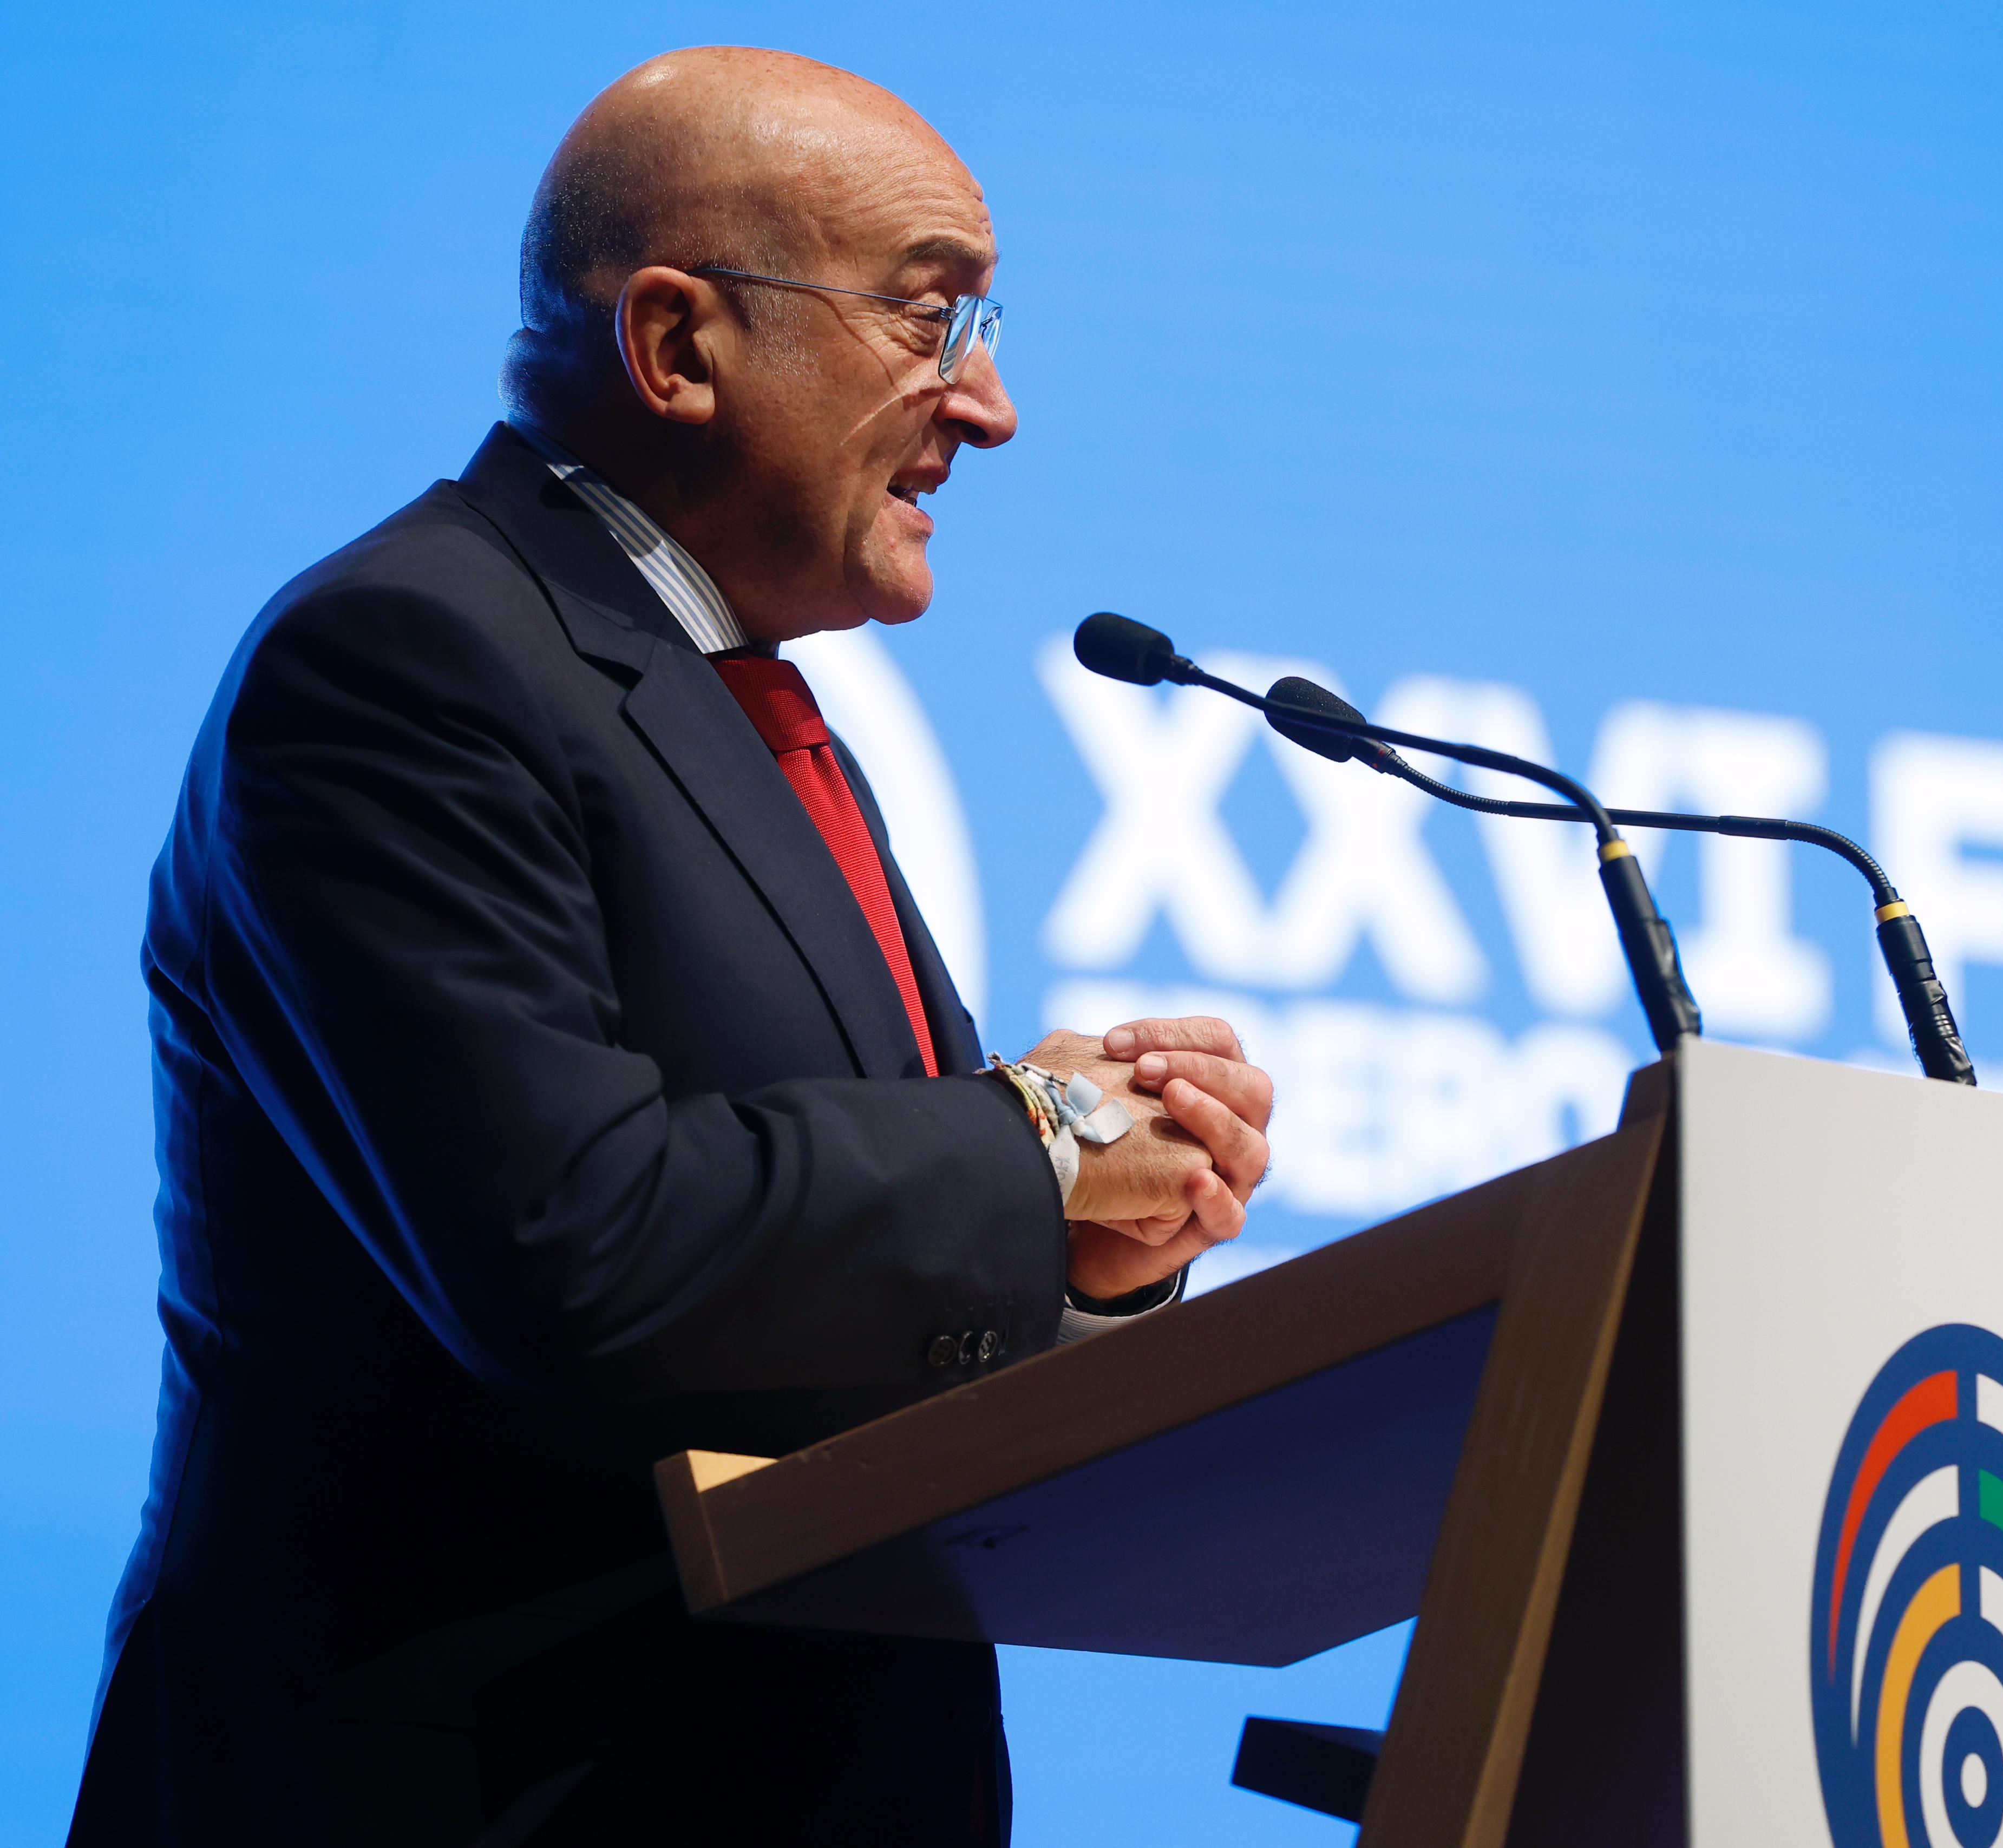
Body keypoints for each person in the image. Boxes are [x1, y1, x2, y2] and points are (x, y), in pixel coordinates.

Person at [67, 47, 1271, 1846]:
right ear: (677, 344)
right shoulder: (402, 659)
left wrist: (1095, 1260)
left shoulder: (749, 713)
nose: (991, 402)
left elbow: (817, 1292)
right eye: (929, 315)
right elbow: (570, 1248)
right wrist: (1048, 1140)